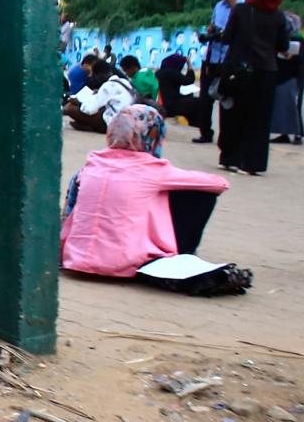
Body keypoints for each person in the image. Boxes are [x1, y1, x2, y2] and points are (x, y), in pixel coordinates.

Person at [62, 105, 251, 295]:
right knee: (199, 194)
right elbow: (219, 184)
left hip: (74, 257)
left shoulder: (92, 163)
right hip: (123, 263)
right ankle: (177, 253)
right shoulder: (153, 169)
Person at [216, 0, 286, 174]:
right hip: (266, 72)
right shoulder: (278, 16)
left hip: (239, 71)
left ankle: (230, 158)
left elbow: (227, 38)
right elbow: (282, 45)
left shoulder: (241, 10)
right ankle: (252, 163)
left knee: (234, 114)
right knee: (259, 118)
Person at [194, 0, 237, 144]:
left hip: (228, 59)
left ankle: (227, 137)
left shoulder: (241, 6)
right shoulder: (218, 6)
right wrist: (210, 31)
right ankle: (205, 132)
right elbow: (213, 25)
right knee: (205, 98)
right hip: (211, 57)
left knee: (226, 99)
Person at [64, 55, 135, 132]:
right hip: (127, 120)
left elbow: (90, 110)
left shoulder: (107, 86)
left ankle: (90, 126)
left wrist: (79, 103)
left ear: (98, 75)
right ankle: (86, 125)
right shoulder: (123, 82)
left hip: (113, 122)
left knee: (69, 108)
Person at [269, 10, 304, 144]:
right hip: (281, 75)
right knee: (282, 106)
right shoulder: (281, 38)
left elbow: (297, 58)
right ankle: (284, 133)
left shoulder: (298, 39)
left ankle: (298, 135)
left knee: (293, 106)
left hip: (292, 76)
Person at [155, 49, 196, 128]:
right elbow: (190, 80)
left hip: (160, 105)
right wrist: (189, 64)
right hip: (170, 106)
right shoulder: (172, 72)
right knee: (196, 102)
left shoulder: (159, 72)